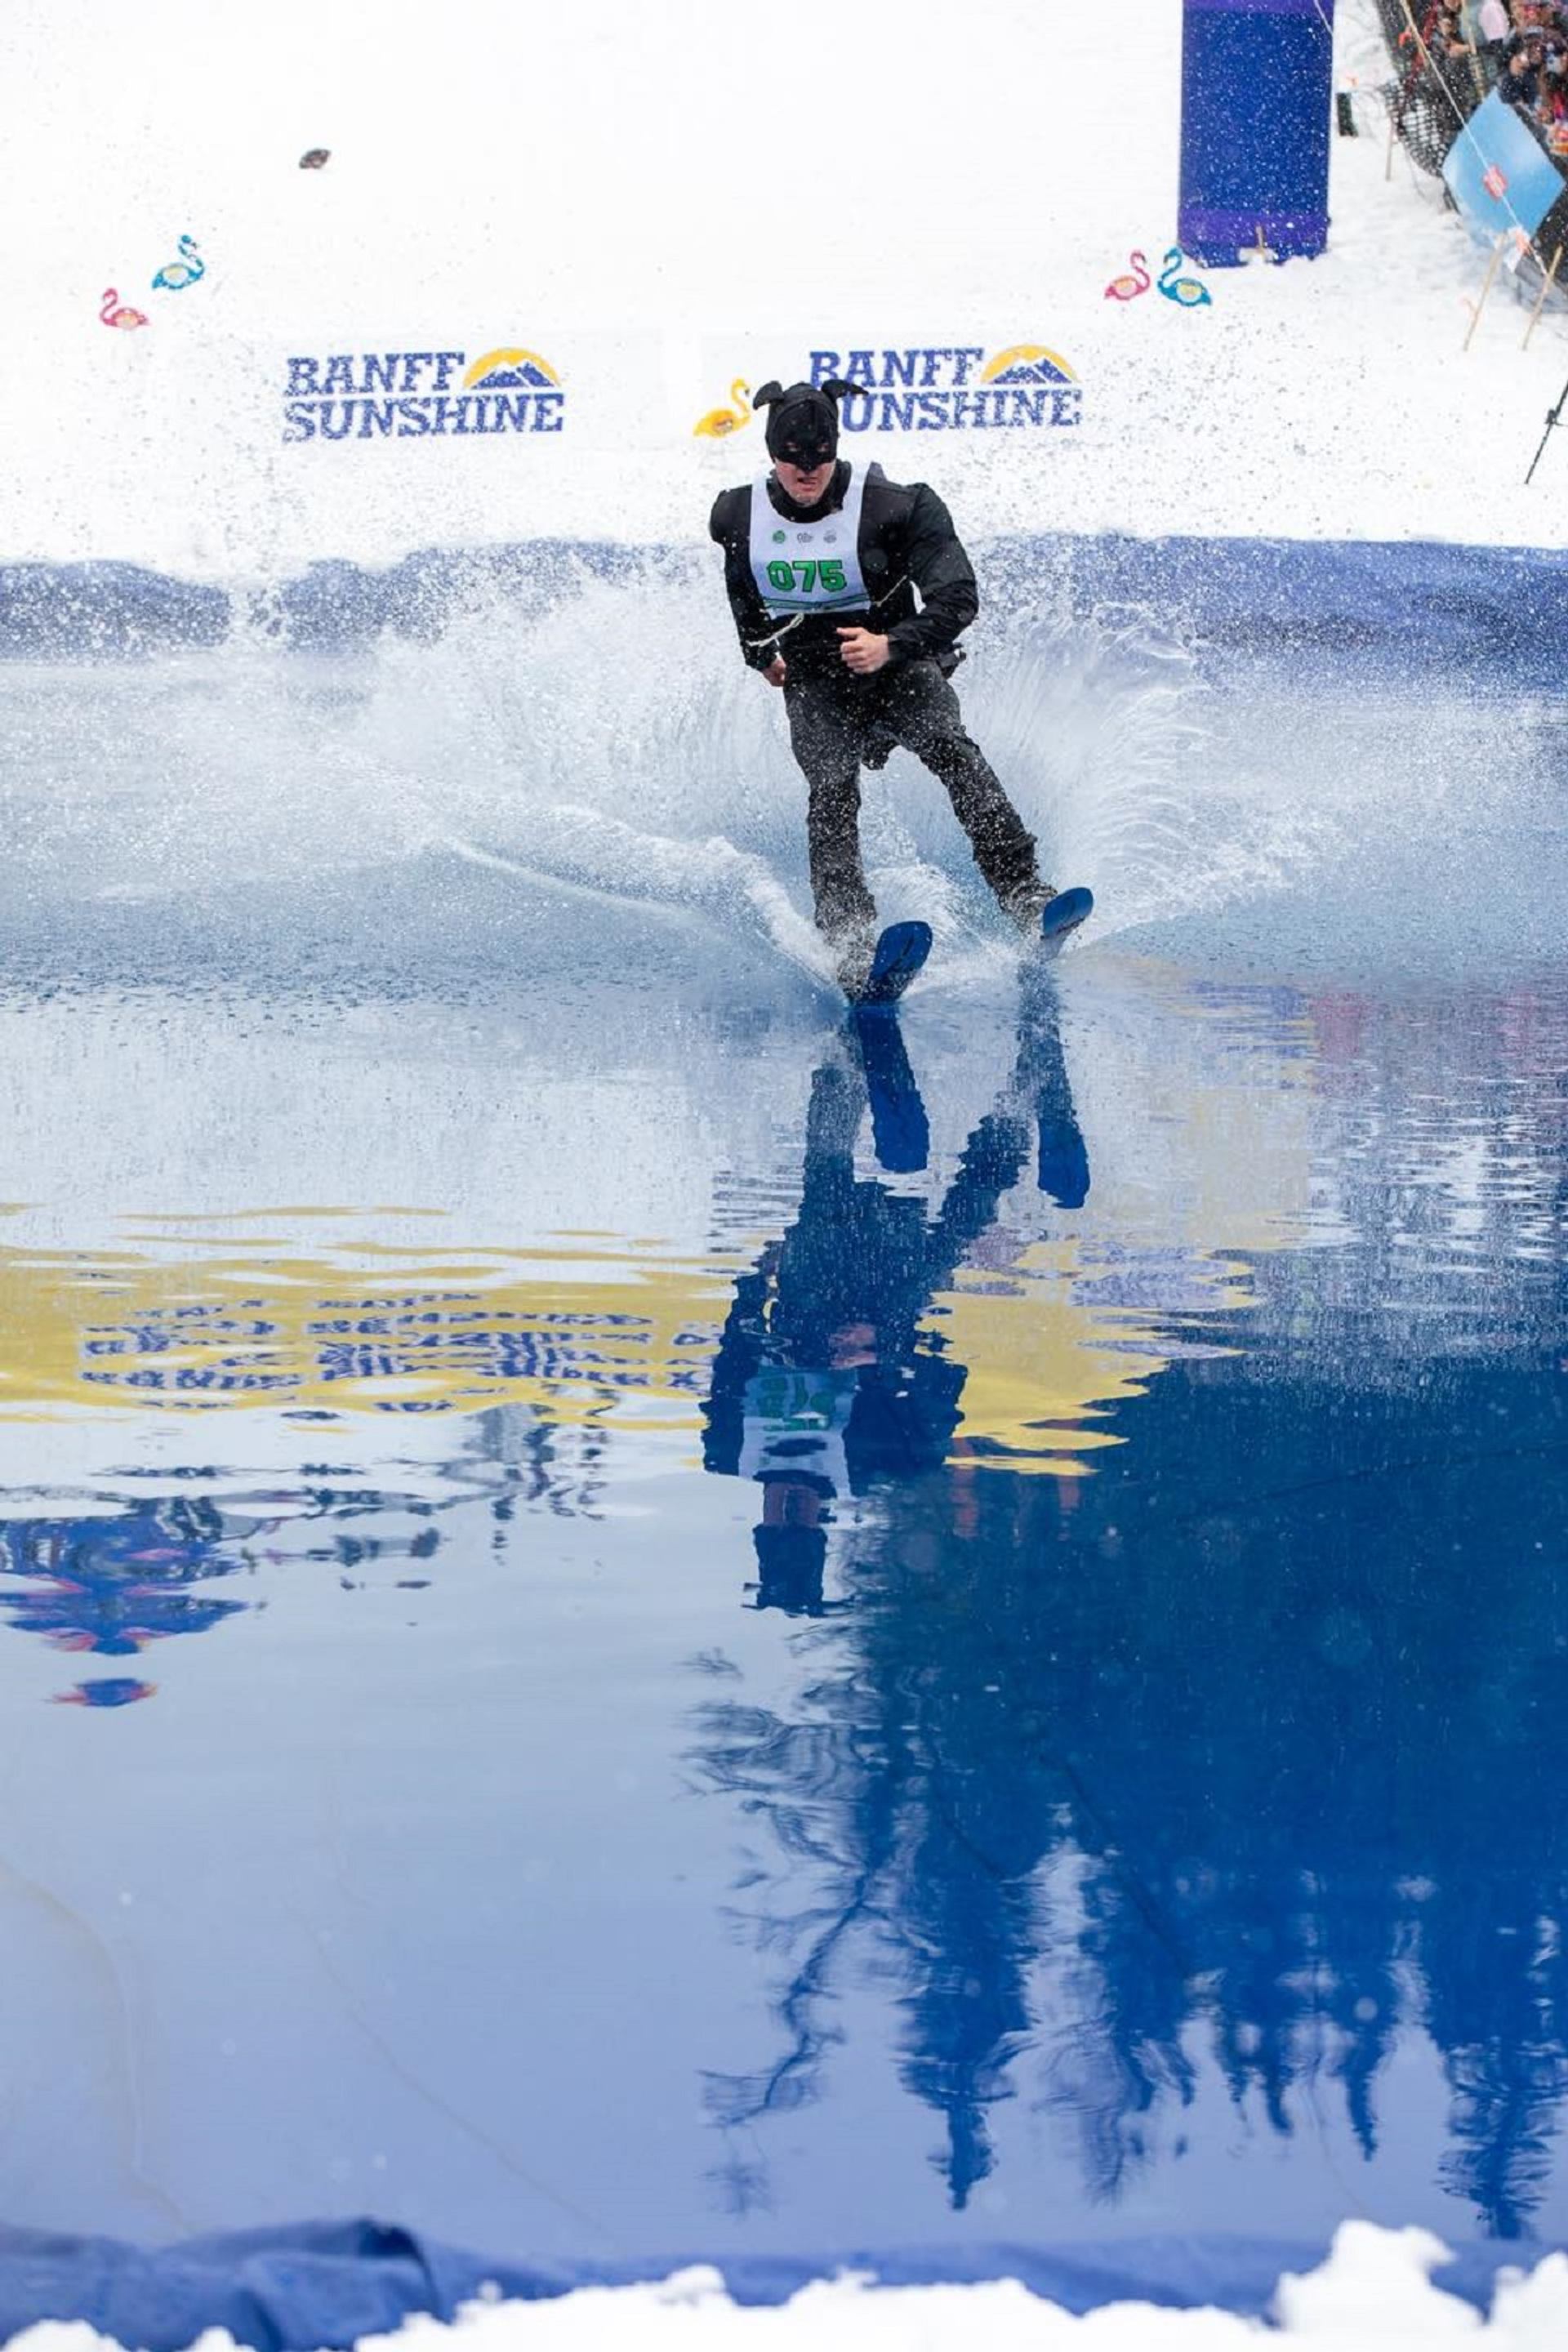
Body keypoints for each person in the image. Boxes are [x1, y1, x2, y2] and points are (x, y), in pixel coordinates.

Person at [709, 379, 1056, 989]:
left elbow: (958, 597)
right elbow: (742, 585)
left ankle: (1025, 893)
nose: (807, 470)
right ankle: (848, 941)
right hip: (815, 680)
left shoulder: (896, 505)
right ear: (772, 455)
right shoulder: (738, 513)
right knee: (831, 791)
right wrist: (759, 653)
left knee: (952, 750)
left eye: (820, 456)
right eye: (793, 457)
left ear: (836, 451)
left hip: (897, 666)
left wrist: (892, 645)